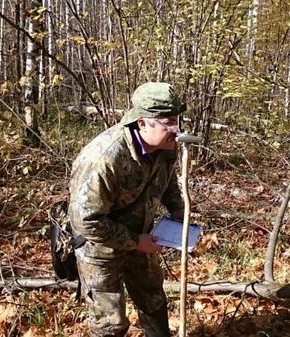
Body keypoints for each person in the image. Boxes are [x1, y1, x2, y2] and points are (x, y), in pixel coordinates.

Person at [68, 82, 186, 337]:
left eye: (177, 120)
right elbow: (86, 222)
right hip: (101, 248)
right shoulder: (104, 158)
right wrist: (134, 241)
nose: (176, 130)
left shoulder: (165, 147)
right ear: (142, 123)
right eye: (168, 122)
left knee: (153, 299)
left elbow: (168, 184)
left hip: (141, 239)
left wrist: (178, 211)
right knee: (109, 324)